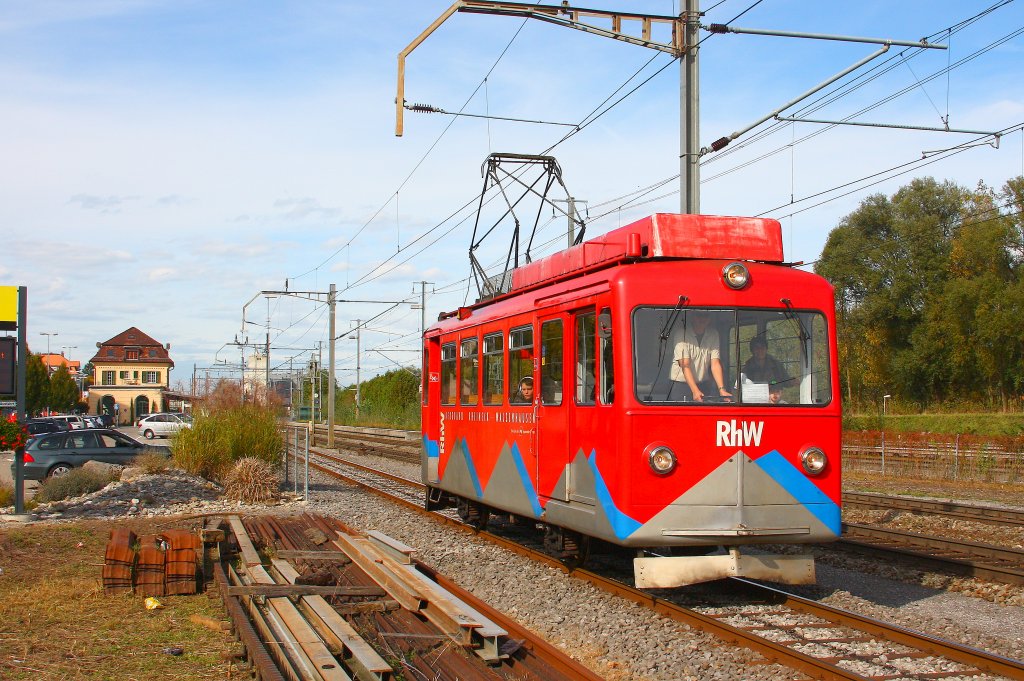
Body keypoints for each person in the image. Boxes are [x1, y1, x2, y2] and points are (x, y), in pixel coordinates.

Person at [671, 311, 731, 402]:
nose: (702, 318)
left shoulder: (713, 334)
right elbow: (685, 365)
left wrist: (722, 390)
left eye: (706, 315)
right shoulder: (681, 334)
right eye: (699, 315)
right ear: (692, 317)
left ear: (710, 319)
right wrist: (695, 391)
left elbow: (715, 364)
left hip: (703, 384)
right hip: (681, 386)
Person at [743, 336, 790, 403]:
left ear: (766, 349)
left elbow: (786, 382)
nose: (760, 350)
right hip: (754, 402)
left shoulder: (776, 364)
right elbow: (742, 388)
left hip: (775, 400)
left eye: (762, 347)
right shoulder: (747, 367)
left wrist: (793, 381)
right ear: (752, 350)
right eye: (757, 348)